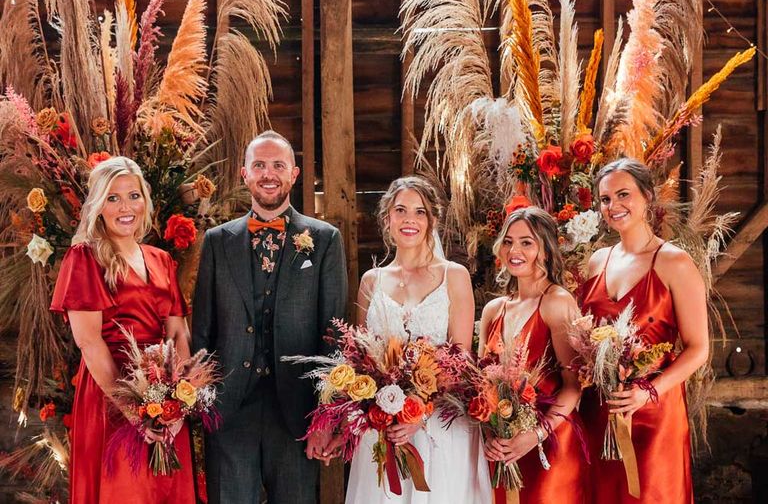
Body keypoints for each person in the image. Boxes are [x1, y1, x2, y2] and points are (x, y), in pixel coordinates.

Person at [192, 130, 347, 504]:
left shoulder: (325, 239)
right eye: (259, 165)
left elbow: (334, 336)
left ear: (294, 174)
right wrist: (203, 405)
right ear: (244, 173)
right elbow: (202, 331)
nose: (268, 173)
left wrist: (324, 417)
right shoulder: (217, 240)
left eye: (278, 165)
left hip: (297, 412)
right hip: (229, 412)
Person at [50, 156, 195, 503]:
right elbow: (89, 341)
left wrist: (179, 401)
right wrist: (135, 410)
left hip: (165, 389)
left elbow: (178, 332)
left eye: (133, 195)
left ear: (145, 200)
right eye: (113, 198)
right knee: (126, 489)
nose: (125, 206)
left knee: (166, 487)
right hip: (112, 394)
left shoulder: (160, 259)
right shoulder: (85, 257)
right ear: (99, 205)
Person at [345, 175, 492, 503]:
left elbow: (460, 359)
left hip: (438, 423)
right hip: (383, 427)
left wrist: (417, 414)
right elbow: (360, 360)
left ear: (433, 220)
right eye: (400, 210)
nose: (409, 219)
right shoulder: (371, 281)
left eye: (420, 211)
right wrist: (379, 408)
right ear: (387, 219)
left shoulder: (453, 275)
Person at [579, 158, 708, 503]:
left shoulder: (674, 263)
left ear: (648, 197)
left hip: (653, 413)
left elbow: (698, 348)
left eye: (623, 195)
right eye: (605, 199)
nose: (613, 206)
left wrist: (647, 392)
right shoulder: (597, 261)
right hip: (600, 413)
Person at [477, 206, 587, 504]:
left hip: (547, 445)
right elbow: (479, 386)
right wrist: (489, 435)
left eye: (527, 242)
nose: (515, 250)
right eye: (509, 241)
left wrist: (535, 435)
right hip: (501, 448)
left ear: (547, 251)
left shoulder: (556, 302)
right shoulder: (492, 310)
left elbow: (573, 386)